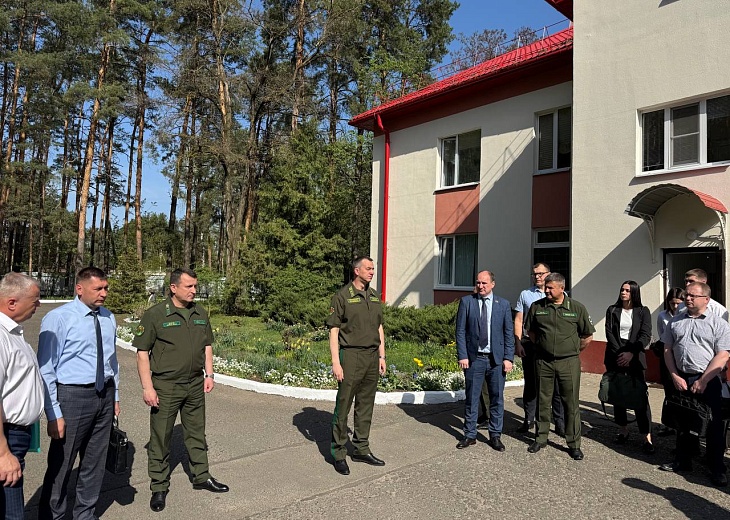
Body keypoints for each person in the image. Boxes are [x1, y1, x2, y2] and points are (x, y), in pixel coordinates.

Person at [134, 267, 228, 512]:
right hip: (166, 386)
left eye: (195, 286)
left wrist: (209, 374)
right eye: (189, 286)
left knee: (197, 432)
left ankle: (201, 476)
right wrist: (147, 387)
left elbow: (207, 345)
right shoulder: (156, 315)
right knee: (161, 437)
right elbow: (142, 353)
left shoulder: (199, 312)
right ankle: (158, 486)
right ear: (173, 287)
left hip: (195, 384)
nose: (194, 290)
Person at [37, 267, 120, 520]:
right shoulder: (59, 318)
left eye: (106, 288)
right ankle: (52, 515)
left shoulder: (108, 317)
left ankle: (85, 514)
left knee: (95, 462)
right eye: (98, 289)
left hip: (104, 394)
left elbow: (112, 361)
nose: (104, 293)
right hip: (72, 396)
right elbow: (46, 368)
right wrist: (53, 412)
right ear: (79, 288)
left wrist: (115, 397)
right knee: (61, 463)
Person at [659, 281, 730, 487]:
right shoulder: (676, 321)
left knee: (713, 424)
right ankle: (683, 460)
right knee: (683, 422)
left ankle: (717, 468)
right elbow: (667, 350)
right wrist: (674, 375)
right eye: (687, 295)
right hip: (681, 378)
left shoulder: (718, 324)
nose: (687, 299)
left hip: (708, 380)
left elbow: (723, 355)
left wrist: (703, 380)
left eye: (692, 296)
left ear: (706, 299)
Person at [525, 273, 595, 460]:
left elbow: (587, 336)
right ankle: (541, 438)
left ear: (562, 288)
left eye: (550, 288)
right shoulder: (537, 307)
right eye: (546, 287)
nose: (546, 290)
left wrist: (572, 350)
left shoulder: (576, 308)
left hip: (568, 362)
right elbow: (531, 332)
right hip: (543, 361)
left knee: (570, 403)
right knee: (543, 400)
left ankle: (574, 443)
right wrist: (543, 347)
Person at [328, 257, 386, 476]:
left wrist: (382, 356)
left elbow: (379, 327)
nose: (372, 272)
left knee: (366, 405)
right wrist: (336, 362)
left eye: (373, 269)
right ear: (356, 270)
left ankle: (361, 448)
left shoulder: (374, 295)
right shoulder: (342, 296)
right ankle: (338, 453)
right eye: (368, 268)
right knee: (343, 406)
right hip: (351, 355)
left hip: (372, 356)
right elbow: (334, 330)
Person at [455, 270, 514, 451]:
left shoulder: (503, 304)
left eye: (484, 283)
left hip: (496, 361)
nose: (480, 286)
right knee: (472, 398)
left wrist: (508, 358)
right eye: (478, 283)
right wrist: (463, 355)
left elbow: (508, 333)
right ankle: (469, 435)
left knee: (497, 399)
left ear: (492, 284)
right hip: (475, 360)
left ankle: (495, 435)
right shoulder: (467, 302)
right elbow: (460, 331)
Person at [0, 273, 44, 520]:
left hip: (15, 436)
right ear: (12, 303)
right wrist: (3, 453)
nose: (39, 305)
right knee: (12, 514)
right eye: (35, 300)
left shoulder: (13, 333)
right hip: (6, 437)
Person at [514, 263, 565, 436]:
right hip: (530, 344)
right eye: (535, 274)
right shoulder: (526, 294)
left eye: (541, 273)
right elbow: (519, 320)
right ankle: (528, 419)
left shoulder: (561, 294)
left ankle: (559, 422)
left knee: (556, 386)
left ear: (549, 274)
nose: (537, 277)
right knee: (531, 384)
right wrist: (518, 343)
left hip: (552, 346)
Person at [604, 281, 654, 453]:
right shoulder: (612, 310)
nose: (623, 292)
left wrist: (631, 353)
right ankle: (623, 430)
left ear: (634, 293)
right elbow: (609, 333)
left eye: (627, 290)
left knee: (639, 396)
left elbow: (645, 335)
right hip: (615, 356)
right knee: (619, 394)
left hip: (635, 356)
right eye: (622, 289)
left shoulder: (643, 311)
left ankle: (646, 436)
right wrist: (620, 354)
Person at [652, 287, 685, 435]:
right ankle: (669, 424)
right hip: (668, 356)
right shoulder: (662, 316)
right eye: (673, 303)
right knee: (669, 391)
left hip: (682, 358)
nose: (675, 306)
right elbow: (662, 336)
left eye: (678, 303)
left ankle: (682, 424)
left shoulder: (686, 315)